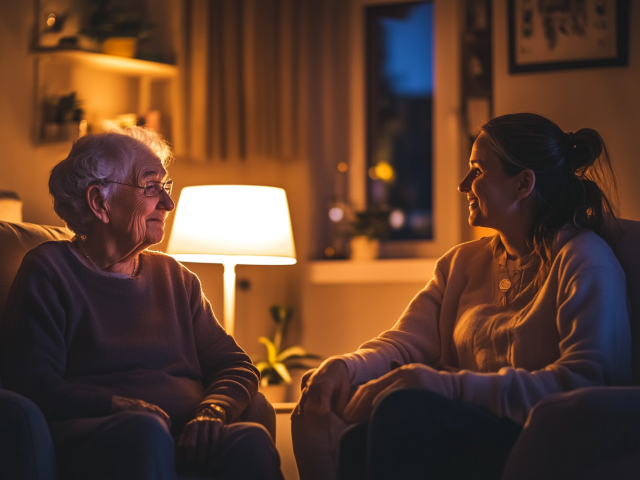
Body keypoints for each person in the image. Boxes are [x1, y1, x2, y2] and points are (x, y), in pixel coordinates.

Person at [291, 113, 632, 480]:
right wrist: (343, 367)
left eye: (477, 171)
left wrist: (443, 385)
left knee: (403, 410)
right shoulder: (461, 263)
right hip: (464, 429)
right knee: (356, 440)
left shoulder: (584, 259)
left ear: (523, 184)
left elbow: (586, 383)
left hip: (537, 441)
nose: (462, 185)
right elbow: (403, 344)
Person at [1, 127, 284, 480]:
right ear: (99, 202)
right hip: (103, 437)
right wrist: (116, 406)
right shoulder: (50, 271)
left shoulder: (176, 278)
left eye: (165, 188)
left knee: (250, 440)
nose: (167, 204)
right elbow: (31, 380)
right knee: (145, 432)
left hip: (185, 435)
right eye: (150, 187)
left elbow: (236, 365)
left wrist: (214, 408)